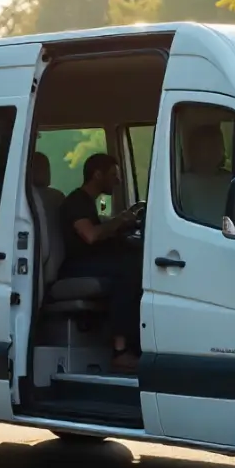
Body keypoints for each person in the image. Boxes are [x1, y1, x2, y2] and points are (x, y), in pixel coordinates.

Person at [58, 153, 141, 372]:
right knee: (127, 270)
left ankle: (135, 344)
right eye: (113, 175)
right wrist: (119, 221)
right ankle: (120, 350)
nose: (118, 181)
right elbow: (90, 235)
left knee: (133, 259)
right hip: (74, 266)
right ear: (97, 175)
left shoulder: (89, 202)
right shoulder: (76, 201)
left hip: (89, 261)